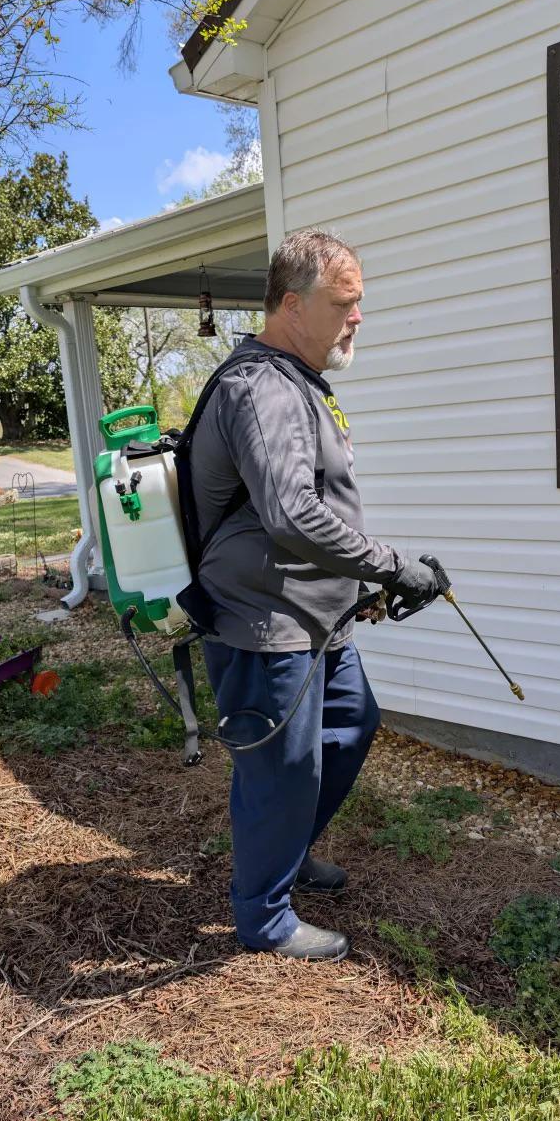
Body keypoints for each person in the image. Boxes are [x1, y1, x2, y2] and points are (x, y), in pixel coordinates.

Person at [188, 228, 441, 962]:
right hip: (264, 621)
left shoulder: (298, 381)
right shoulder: (260, 386)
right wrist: (389, 566)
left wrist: (357, 585)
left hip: (315, 614)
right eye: (344, 303)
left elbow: (315, 508)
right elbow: (292, 514)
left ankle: (287, 854)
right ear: (292, 305)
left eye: (360, 303)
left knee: (352, 726)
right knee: (282, 770)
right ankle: (263, 917)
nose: (358, 316)